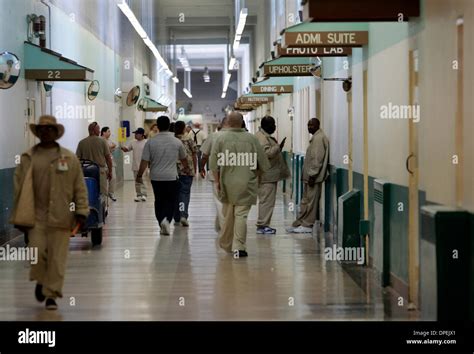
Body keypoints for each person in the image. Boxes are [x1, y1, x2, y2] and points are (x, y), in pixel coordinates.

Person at [9, 115, 89, 310]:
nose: (46, 132)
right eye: (42, 129)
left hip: (61, 217)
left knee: (57, 258)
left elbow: (79, 187)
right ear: (38, 133)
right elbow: (18, 188)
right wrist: (19, 213)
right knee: (37, 253)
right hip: (35, 217)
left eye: (49, 129)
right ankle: (41, 280)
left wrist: (81, 211)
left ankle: (51, 294)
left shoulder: (68, 158)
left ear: (55, 133)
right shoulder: (28, 158)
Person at [209, 112, 270, 257]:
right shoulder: (252, 139)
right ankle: (239, 247)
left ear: (228, 123)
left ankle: (226, 243)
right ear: (243, 123)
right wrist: (257, 177)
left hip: (226, 184)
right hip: (246, 183)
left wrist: (217, 182)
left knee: (228, 215)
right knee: (241, 215)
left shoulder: (220, 139)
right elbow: (264, 165)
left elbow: (213, 165)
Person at [135, 116, 189, 236]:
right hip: (171, 177)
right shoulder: (176, 141)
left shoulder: (151, 142)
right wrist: (186, 169)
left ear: (157, 127)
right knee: (170, 201)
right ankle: (167, 220)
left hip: (156, 177)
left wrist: (139, 175)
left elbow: (144, 161)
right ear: (169, 125)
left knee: (159, 200)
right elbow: (184, 159)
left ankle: (161, 222)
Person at [287, 118, 329, 233]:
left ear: (318, 125)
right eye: (308, 125)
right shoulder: (315, 138)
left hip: (313, 178)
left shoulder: (319, 139)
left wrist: (312, 175)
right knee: (305, 201)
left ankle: (307, 225)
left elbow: (317, 159)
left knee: (311, 202)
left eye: (312, 125)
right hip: (309, 177)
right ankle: (300, 222)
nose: (309, 127)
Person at [255, 116, 290, 234]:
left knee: (267, 200)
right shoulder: (262, 138)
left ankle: (264, 224)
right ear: (266, 125)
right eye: (273, 124)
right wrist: (278, 147)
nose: (275, 127)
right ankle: (262, 225)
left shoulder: (264, 136)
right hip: (266, 175)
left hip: (268, 175)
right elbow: (265, 154)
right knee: (266, 201)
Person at [200, 117, 228, 232]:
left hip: (215, 172)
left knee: (218, 199)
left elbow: (205, 155)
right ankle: (221, 223)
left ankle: (224, 225)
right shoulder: (239, 137)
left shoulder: (213, 136)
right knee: (228, 200)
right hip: (232, 172)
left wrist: (201, 167)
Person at [76, 122, 113, 195]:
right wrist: (110, 171)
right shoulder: (102, 141)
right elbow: (108, 158)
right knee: (102, 194)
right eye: (98, 129)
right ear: (93, 130)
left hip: (85, 172)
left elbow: (77, 159)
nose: (99, 131)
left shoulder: (82, 142)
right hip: (100, 171)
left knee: (88, 193)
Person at [173, 121, 198, 226]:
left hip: (173, 171)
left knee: (175, 194)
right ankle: (183, 215)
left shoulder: (172, 140)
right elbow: (194, 155)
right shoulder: (189, 140)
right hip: (187, 170)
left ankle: (177, 216)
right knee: (184, 193)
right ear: (184, 129)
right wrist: (195, 169)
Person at [121, 128, 148, 202]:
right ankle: (138, 195)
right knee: (137, 181)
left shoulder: (146, 142)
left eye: (137, 134)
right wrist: (122, 147)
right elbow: (127, 149)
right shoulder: (133, 142)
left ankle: (144, 194)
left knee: (143, 180)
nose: (135, 135)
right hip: (135, 165)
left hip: (144, 165)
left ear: (142, 135)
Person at [100, 126, 117, 201]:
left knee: (113, 178)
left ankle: (111, 193)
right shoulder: (100, 140)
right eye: (108, 131)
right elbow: (106, 149)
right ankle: (104, 195)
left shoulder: (109, 141)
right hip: (103, 163)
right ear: (103, 132)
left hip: (111, 162)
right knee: (103, 180)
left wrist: (111, 147)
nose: (110, 133)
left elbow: (112, 148)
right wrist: (110, 147)